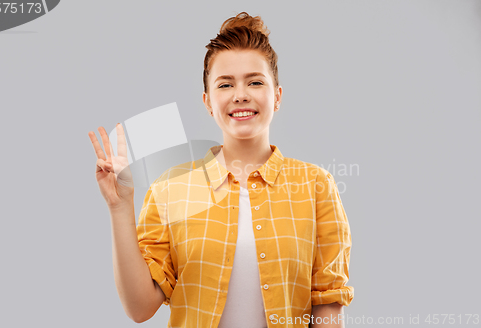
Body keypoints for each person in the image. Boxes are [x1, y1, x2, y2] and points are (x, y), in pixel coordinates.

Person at [88, 11, 353, 328]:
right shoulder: (170, 189)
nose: (241, 94)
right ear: (208, 102)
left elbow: (327, 309)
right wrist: (119, 208)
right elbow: (139, 308)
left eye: (255, 82)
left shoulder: (315, 186)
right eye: (225, 84)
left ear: (277, 96)